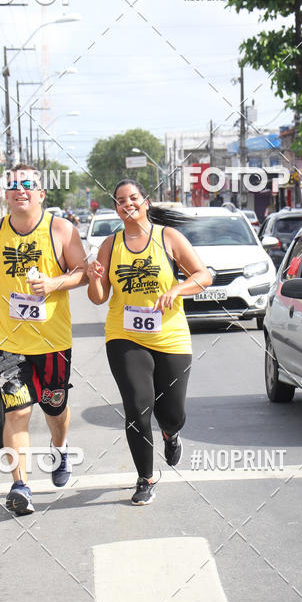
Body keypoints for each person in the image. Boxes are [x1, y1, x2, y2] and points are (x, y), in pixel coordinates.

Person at [0, 165, 87, 515]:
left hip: (53, 342)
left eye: (28, 185)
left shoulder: (61, 229)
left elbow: (81, 272)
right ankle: (20, 485)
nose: (20, 190)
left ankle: (60, 446)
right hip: (10, 342)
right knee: (17, 413)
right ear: (4, 194)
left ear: (41, 194)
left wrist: (53, 284)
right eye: (13, 185)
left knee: (54, 407)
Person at [87, 179, 212, 505]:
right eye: (120, 200)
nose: (127, 204)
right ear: (115, 207)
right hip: (124, 335)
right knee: (138, 407)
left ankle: (171, 434)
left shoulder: (167, 237)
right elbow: (99, 298)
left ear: (145, 201)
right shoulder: (110, 245)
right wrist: (94, 277)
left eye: (133, 198)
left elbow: (203, 276)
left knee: (172, 413)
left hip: (169, 336)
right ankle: (145, 477)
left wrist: (176, 290)